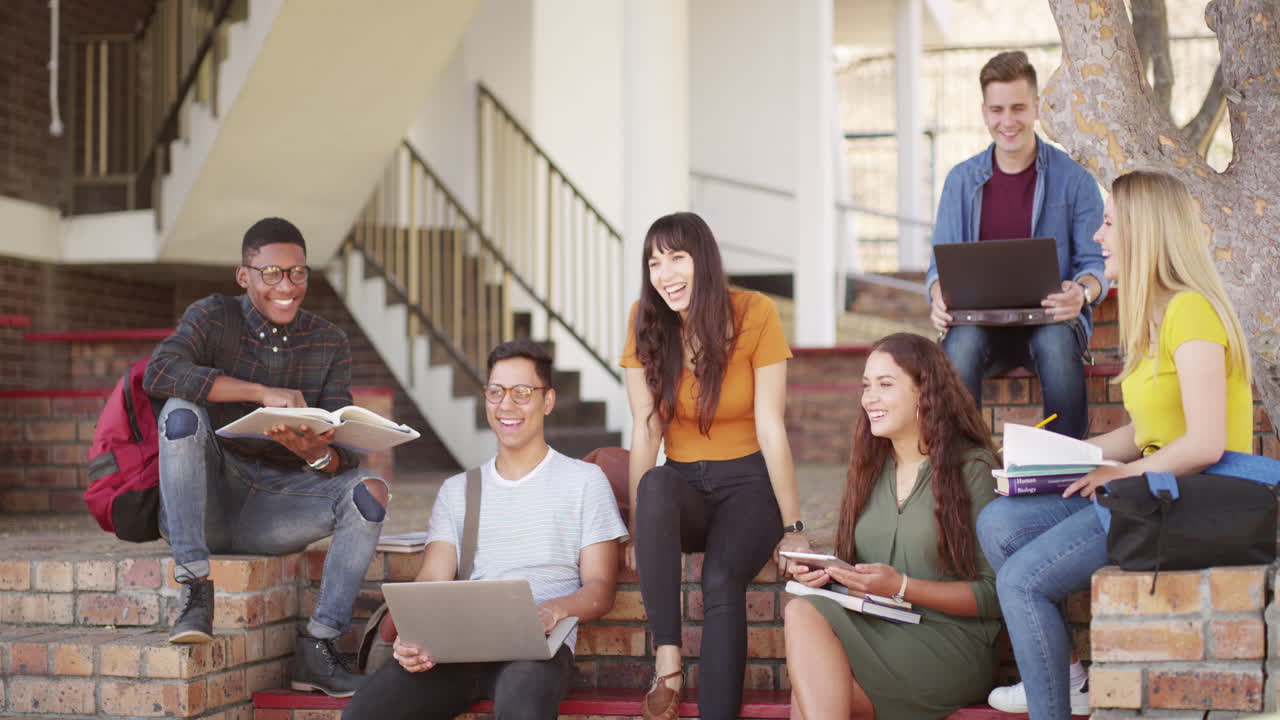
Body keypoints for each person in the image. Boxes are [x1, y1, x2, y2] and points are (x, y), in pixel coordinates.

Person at [977, 170, 1254, 719]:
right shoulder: (1151, 316)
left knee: (1022, 580)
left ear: (1144, 231)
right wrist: (1064, 454)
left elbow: (1204, 442)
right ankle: (1063, 677)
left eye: (1108, 224)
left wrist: (1121, 476)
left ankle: (1049, 704)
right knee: (999, 522)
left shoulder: (1191, 311)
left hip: (1190, 501)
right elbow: (1148, 431)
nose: (1099, 238)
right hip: (1154, 487)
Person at [143, 217, 388, 697]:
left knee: (370, 492)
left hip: (278, 506)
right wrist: (261, 393)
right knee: (180, 410)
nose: (287, 286)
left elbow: (340, 454)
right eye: (272, 273)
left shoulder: (328, 341)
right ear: (244, 276)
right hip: (206, 499)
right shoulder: (214, 316)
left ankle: (319, 647)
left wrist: (315, 452)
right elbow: (162, 370)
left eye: (297, 273)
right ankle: (195, 590)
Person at [343, 339, 629, 720]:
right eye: (496, 392)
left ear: (547, 401)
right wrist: (414, 636)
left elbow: (600, 590)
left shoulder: (584, 481)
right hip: (457, 649)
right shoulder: (458, 490)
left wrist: (552, 611)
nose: (506, 405)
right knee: (366, 713)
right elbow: (432, 579)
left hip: (536, 653)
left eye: (522, 393)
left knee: (522, 705)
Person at [621, 211, 809, 720]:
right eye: (655, 262)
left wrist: (794, 528)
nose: (666, 274)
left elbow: (771, 427)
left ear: (703, 259)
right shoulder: (646, 320)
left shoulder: (755, 312)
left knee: (722, 580)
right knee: (656, 484)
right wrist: (641, 528)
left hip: (749, 486)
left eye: (677, 258)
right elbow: (645, 429)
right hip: (685, 489)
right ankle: (668, 662)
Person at [783, 332, 1003, 720]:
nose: (869, 398)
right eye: (866, 386)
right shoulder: (871, 471)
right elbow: (862, 567)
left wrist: (901, 586)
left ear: (924, 392)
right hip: (880, 626)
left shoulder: (972, 469)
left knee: (807, 671)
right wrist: (826, 572)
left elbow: (994, 595)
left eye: (885, 385)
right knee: (809, 659)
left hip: (948, 643)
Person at [926, 50, 1108, 439]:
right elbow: (939, 266)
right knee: (959, 348)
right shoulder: (960, 180)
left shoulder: (1074, 179)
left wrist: (1083, 293)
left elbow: (1095, 263)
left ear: (1037, 107)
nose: (1007, 121)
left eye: (1018, 108)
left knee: (1058, 343)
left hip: (1050, 321)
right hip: (980, 324)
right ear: (984, 112)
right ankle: (964, 472)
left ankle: (1068, 472)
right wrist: (938, 293)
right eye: (997, 110)